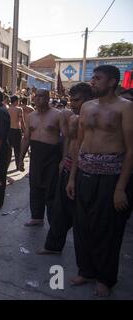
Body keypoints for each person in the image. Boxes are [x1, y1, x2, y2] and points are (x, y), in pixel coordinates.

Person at [66, 65, 133, 297]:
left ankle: (105, 278)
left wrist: (121, 187)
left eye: (98, 78)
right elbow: (79, 144)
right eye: (92, 78)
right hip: (84, 172)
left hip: (110, 176)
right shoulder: (86, 107)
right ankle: (86, 270)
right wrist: (72, 177)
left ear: (113, 82)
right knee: (83, 226)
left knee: (107, 229)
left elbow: (131, 149)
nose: (92, 82)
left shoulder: (125, 108)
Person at [38, 83, 93, 255]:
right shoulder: (73, 118)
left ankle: (86, 261)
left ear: (88, 99)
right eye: (71, 100)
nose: (73, 104)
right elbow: (70, 141)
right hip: (68, 168)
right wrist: (64, 160)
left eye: (77, 100)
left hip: (82, 172)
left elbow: (79, 148)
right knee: (59, 212)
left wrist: (72, 177)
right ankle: (53, 246)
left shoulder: (91, 118)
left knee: (82, 218)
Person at [19, 89, 66, 227]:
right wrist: (20, 158)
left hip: (52, 155)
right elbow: (26, 138)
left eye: (42, 96)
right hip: (36, 154)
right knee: (35, 186)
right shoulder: (31, 116)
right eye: (36, 96)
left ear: (48, 98)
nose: (38, 99)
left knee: (51, 188)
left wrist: (64, 158)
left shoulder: (58, 115)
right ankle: (37, 217)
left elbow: (66, 138)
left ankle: (53, 219)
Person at [7, 95, 25, 171]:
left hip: (9, 130)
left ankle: (6, 166)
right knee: (18, 150)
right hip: (17, 129)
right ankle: (18, 165)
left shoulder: (7, 109)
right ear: (16, 101)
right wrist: (25, 130)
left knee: (8, 149)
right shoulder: (19, 109)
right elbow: (22, 121)